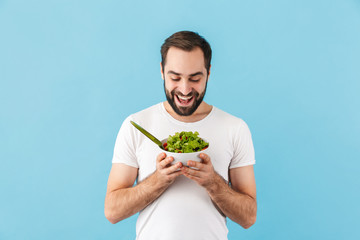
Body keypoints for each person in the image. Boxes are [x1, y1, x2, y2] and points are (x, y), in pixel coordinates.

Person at [104, 31, 257, 240]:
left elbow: (248, 217)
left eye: (195, 78)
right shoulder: (136, 124)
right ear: (161, 71)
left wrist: (213, 182)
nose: (184, 90)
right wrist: (157, 181)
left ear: (208, 73)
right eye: (175, 78)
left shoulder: (234, 128)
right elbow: (112, 211)